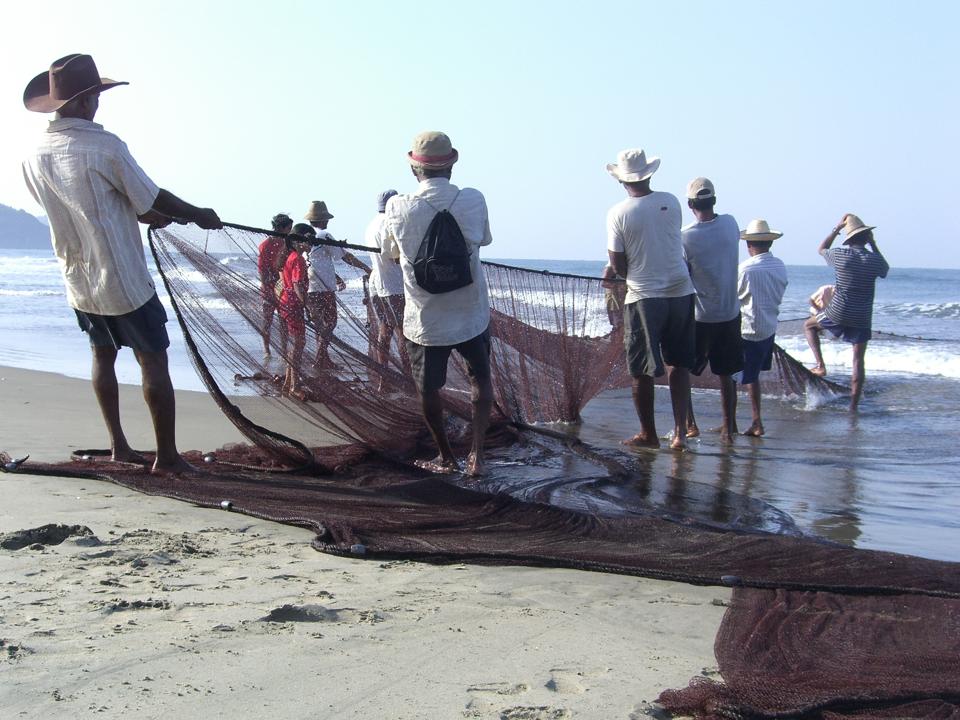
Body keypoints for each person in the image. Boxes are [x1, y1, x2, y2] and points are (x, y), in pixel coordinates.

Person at [21, 54, 222, 475]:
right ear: (82, 101)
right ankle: (166, 458)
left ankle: (120, 447)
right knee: (153, 359)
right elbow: (151, 197)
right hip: (123, 278)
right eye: (94, 96)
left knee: (102, 354)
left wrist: (143, 212)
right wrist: (199, 212)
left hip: (78, 278)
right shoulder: (104, 145)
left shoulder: (34, 154)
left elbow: (92, 205)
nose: (98, 104)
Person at [381, 131, 493, 476]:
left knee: (428, 388)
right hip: (471, 311)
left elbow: (390, 253)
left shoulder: (398, 206)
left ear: (415, 168)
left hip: (426, 318)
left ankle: (446, 456)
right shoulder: (473, 199)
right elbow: (484, 239)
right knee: (480, 380)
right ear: (452, 165)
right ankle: (477, 456)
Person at [605, 149, 697, 451]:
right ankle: (680, 434)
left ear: (621, 180)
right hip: (681, 291)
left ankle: (649, 434)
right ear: (649, 175)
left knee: (641, 369)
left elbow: (618, 264)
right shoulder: (671, 201)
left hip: (644, 295)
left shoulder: (619, 213)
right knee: (679, 364)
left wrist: (625, 271)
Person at [804, 214, 889, 411]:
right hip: (862, 317)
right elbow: (885, 269)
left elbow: (821, 249)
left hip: (838, 312)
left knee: (809, 325)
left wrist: (836, 229)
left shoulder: (842, 255)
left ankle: (820, 364)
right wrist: (873, 245)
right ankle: (853, 405)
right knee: (858, 361)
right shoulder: (874, 259)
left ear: (849, 239)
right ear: (866, 238)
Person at [680, 177, 743, 443]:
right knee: (726, 373)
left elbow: (684, 275)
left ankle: (689, 425)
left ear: (690, 204)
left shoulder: (685, 237)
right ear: (714, 201)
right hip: (730, 312)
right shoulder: (731, 223)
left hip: (701, 316)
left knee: (681, 367)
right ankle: (729, 429)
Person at [303, 201, 371, 367]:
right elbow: (344, 256)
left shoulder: (305, 235)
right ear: (323, 220)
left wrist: (336, 276)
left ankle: (324, 359)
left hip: (309, 286)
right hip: (322, 288)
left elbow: (316, 262)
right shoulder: (324, 235)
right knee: (331, 322)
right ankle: (320, 357)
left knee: (320, 324)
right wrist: (366, 268)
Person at [737, 219, 788, 437]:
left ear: (749, 245)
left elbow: (733, 297)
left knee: (731, 375)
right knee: (752, 376)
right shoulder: (779, 266)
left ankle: (748, 422)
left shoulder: (745, 269)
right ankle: (754, 421)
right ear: (770, 243)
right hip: (769, 326)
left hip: (748, 329)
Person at [364, 189, 408, 388]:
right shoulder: (390, 223)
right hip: (395, 285)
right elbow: (395, 257)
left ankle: (384, 379)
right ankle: (409, 380)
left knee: (385, 331)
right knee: (403, 334)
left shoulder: (371, 224)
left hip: (377, 283)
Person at [279, 224, 315, 396]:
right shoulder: (298, 259)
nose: (311, 244)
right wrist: (309, 307)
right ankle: (295, 386)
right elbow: (298, 286)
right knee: (299, 344)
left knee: (295, 344)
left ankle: (288, 382)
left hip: (286, 303)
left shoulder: (290, 256)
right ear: (299, 242)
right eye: (309, 240)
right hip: (293, 305)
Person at [257, 213, 293, 357]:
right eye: (288, 228)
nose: (290, 231)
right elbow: (262, 270)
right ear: (281, 228)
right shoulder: (266, 245)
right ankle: (266, 349)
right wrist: (269, 288)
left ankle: (284, 349)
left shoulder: (288, 243)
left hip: (284, 287)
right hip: (269, 288)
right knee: (268, 320)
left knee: (284, 320)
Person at [600, 264, 626, 330]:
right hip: (615, 297)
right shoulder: (611, 264)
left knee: (622, 323)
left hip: (621, 298)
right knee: (618, 323)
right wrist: (620, 286)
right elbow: (604, 283)